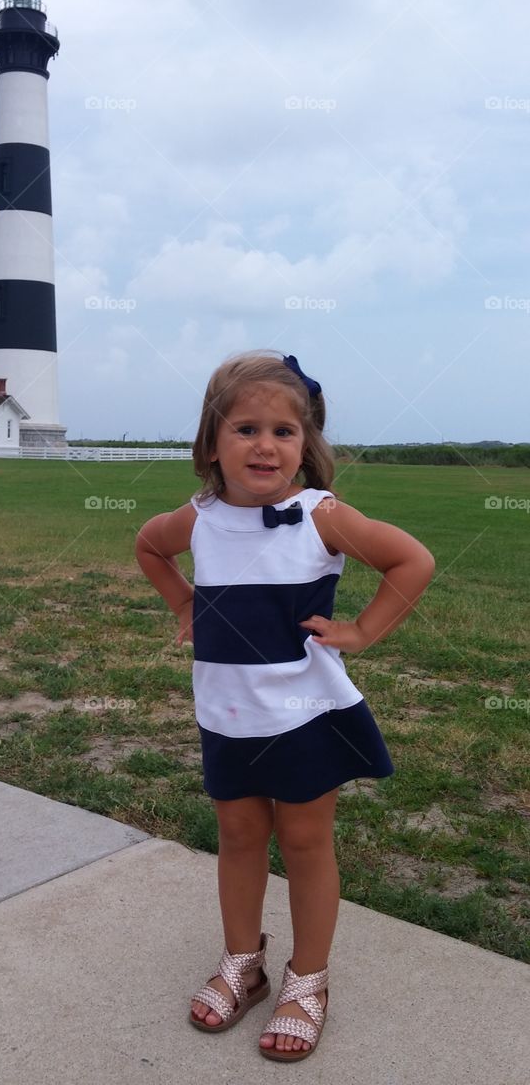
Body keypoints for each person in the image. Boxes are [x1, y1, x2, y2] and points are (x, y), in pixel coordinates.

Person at [135, 350, 435, 1063]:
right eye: (244, 428)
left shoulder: (318, 516)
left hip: (302, 713)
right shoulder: (198, 519)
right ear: (211, 443)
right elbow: (148, 545)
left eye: (282, 431)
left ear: (306, 445)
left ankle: (308, 979)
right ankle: (244, 961)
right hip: (225, 714)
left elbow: (411, 560)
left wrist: (362, 630)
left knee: (303, 844)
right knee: (238, 837)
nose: (264, 445)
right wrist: (184, 603)